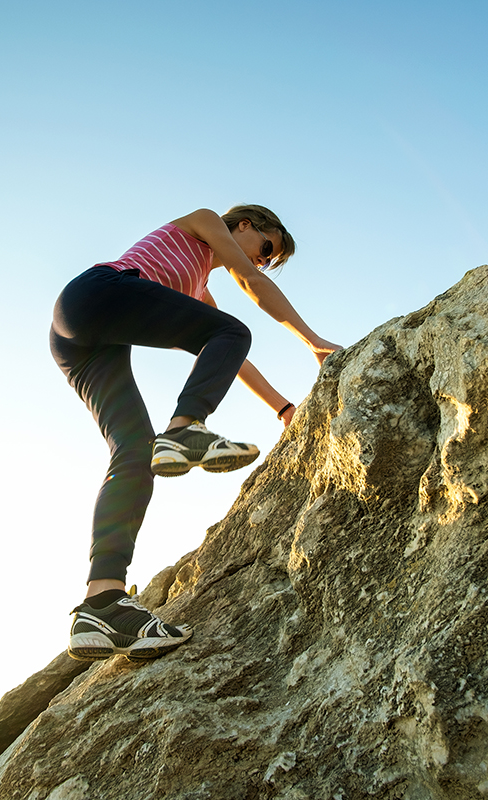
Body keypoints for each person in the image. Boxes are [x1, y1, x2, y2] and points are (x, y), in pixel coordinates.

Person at [50, 205, 341, 661]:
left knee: (134, 454)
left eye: (270, 259)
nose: (262, 262)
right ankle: (184, 430)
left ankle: (100, 604)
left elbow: (231, 354)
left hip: (75, 334)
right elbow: (250, 284)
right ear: (246, 223)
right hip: (98, 292)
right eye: (266, 248)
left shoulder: (199, 288)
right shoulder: (202, 222)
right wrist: (314, 342)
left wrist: (282, 407)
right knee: (231, 331)